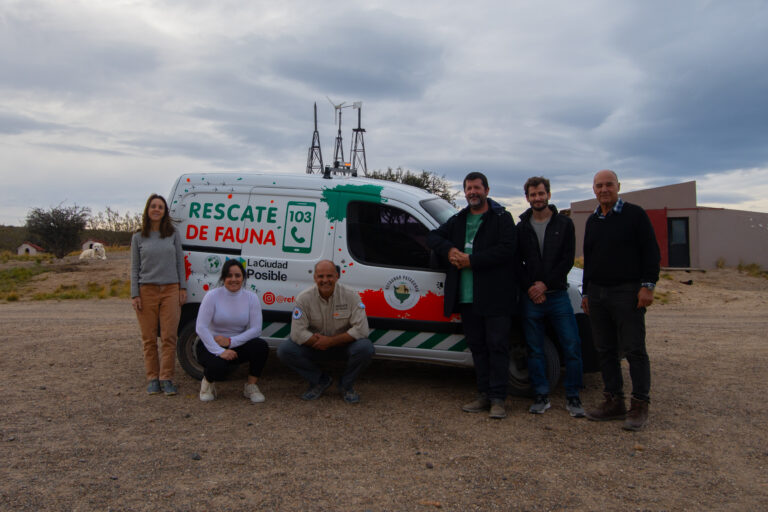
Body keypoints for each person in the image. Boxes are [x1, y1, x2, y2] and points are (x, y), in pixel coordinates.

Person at [426, 171, 517, 419]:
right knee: (477, 347)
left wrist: (472, 260)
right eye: (468, 188)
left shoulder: (501, 218)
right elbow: (432, 236)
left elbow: (508, 250)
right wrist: (451, 250)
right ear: (464, 192)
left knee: (497, 347)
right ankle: (483, 394)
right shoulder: (459, 219)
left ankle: (498, 399)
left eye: (477, 188)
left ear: (487, 190)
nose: (472, 192)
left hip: (496, 297)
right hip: (467, 297)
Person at [582, 169, 660, 431]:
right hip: (598, 293)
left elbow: (651, 251)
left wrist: (647, 287)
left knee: (634, 349)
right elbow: (589, 260)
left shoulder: (634, 215)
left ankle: (639, 406)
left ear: (618, 186)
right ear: (593, 189)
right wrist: (585, 293)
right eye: (599, 185)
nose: (604, 189)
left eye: (608, 184)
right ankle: (613, 401)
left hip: (627, 292)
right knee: (605, 350)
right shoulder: (593, 220)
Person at [517, 177, 585, 417]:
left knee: (572, 346)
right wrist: (531, 288)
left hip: (557, 295)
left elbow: (566, 260)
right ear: (527, 197)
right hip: (531, 298)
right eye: (533, 194)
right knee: (534, 349)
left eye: (541, 193)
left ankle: (573, 397)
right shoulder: (521, 227)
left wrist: (544, 286)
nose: (537, 198)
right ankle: (540, 395)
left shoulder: (564, 224)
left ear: (548, 195)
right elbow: (517, 263)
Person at [277, 260, 374, 404]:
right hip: (315, 346)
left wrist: (331, 341)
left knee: (365, 348)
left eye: (329, 276)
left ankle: (346, 386)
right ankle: (320, 381)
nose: (325, 280)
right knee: (285, 350)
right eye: (321, 276)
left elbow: (362, 329)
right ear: (314, 277)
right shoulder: (304, 298)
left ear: (337, 276)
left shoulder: (351, 295)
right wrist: (320, 342)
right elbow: (297, 333)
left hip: (343, 346)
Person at [130, 194, 186, 396]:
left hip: (171, 289)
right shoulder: (138, 237)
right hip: (147, 290)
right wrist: (134, 294)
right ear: (148, 210)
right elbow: (135, 268)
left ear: (165, 212)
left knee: (169, 337)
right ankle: (152, 378)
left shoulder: (172, 233)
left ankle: (167, 378)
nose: (156, 209)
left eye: (160, 207)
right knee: (149, 338)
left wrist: (182, 288)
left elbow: (180, 262)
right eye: (153, 206)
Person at [195, 259, 269, 403]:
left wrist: (230, 342)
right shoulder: (212, 296)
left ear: (243, 277)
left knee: (261, 346)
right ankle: (207, 383)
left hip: (235, 344)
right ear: (223, 278)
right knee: (219, 367)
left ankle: (251, 386)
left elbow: (256, 329)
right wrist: (220, 351)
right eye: (229, 276)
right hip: (211, 344)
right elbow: (201, 327)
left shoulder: (251, 298)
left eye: (237, 275)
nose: (233, 279)